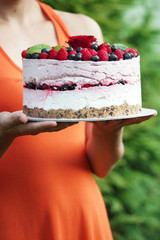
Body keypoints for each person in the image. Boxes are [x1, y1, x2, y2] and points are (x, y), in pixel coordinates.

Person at [0, 0, 156, 239]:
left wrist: (109, 128)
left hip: (81, 211)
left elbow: (101, 166)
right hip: (11, 218)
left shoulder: (79, 26)